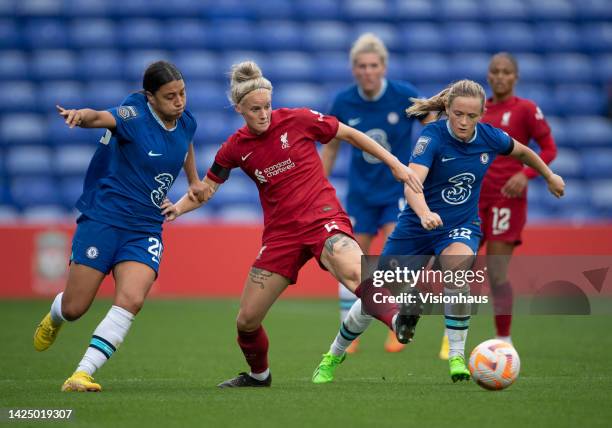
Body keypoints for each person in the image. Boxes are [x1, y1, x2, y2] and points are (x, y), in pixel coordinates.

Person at [161, 61, 424, 388]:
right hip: (282, 235)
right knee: (246, 320)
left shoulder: (298, 119)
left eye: (267, 106)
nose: (263, 114)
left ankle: (399, 320)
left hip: (322, 216)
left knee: (353, 268)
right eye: (255, 109)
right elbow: (207, 189)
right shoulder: (234, 148)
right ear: (240, 109)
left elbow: (349, 133)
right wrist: (178, 209)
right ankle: (259, 376)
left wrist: (396, 164)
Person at [312, 79, 565, 384]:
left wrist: (549, 175)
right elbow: (412, 184)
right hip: (415, 228)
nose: (464, 121)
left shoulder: (490, 137)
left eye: (472, 116)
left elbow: (524, 152)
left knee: (457, 274)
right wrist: (424, 213)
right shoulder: (431, 137)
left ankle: (457, 356)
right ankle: (334, 354)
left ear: (482, 114)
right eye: (458, 114)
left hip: (460, 226)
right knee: (373, 299)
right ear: (447, 109)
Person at [33, 61, 201, 392]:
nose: (179, 101)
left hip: (145, 228)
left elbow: (185, 146)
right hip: (105, 218)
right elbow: (101, 117)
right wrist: (81, 116)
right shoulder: (133, 114)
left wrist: (194, 180)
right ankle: (55, 315)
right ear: (150, 97)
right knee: (75, 307)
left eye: (182, 93)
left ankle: (82, 373)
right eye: (170, 96)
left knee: (132, 299)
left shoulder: (186, 121)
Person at [438, 53, 558, 359]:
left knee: (497, 274)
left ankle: (504, 338)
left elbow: (549, 149)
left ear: (515, 77)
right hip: (472, 202)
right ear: (488, 76)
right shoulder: (476, 109)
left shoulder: (526, 110)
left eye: (506, 72)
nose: (500, 76)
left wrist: (525, 173)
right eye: (495, 71)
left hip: (507, 202)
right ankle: (449, 336)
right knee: (457, 268)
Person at [321, 33, 431, 354]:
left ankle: (397, 324)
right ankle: (349, 332)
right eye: (361, 66)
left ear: (384, 67)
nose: (367, 71)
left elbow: (433, 127)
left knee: (398, 258)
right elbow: (330, 149)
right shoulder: (343, 102)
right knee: (352, 261)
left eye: (373, 65)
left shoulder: (404, 95)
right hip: (360, 194)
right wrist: (319, 186)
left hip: (396, 192)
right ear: (353, 69)